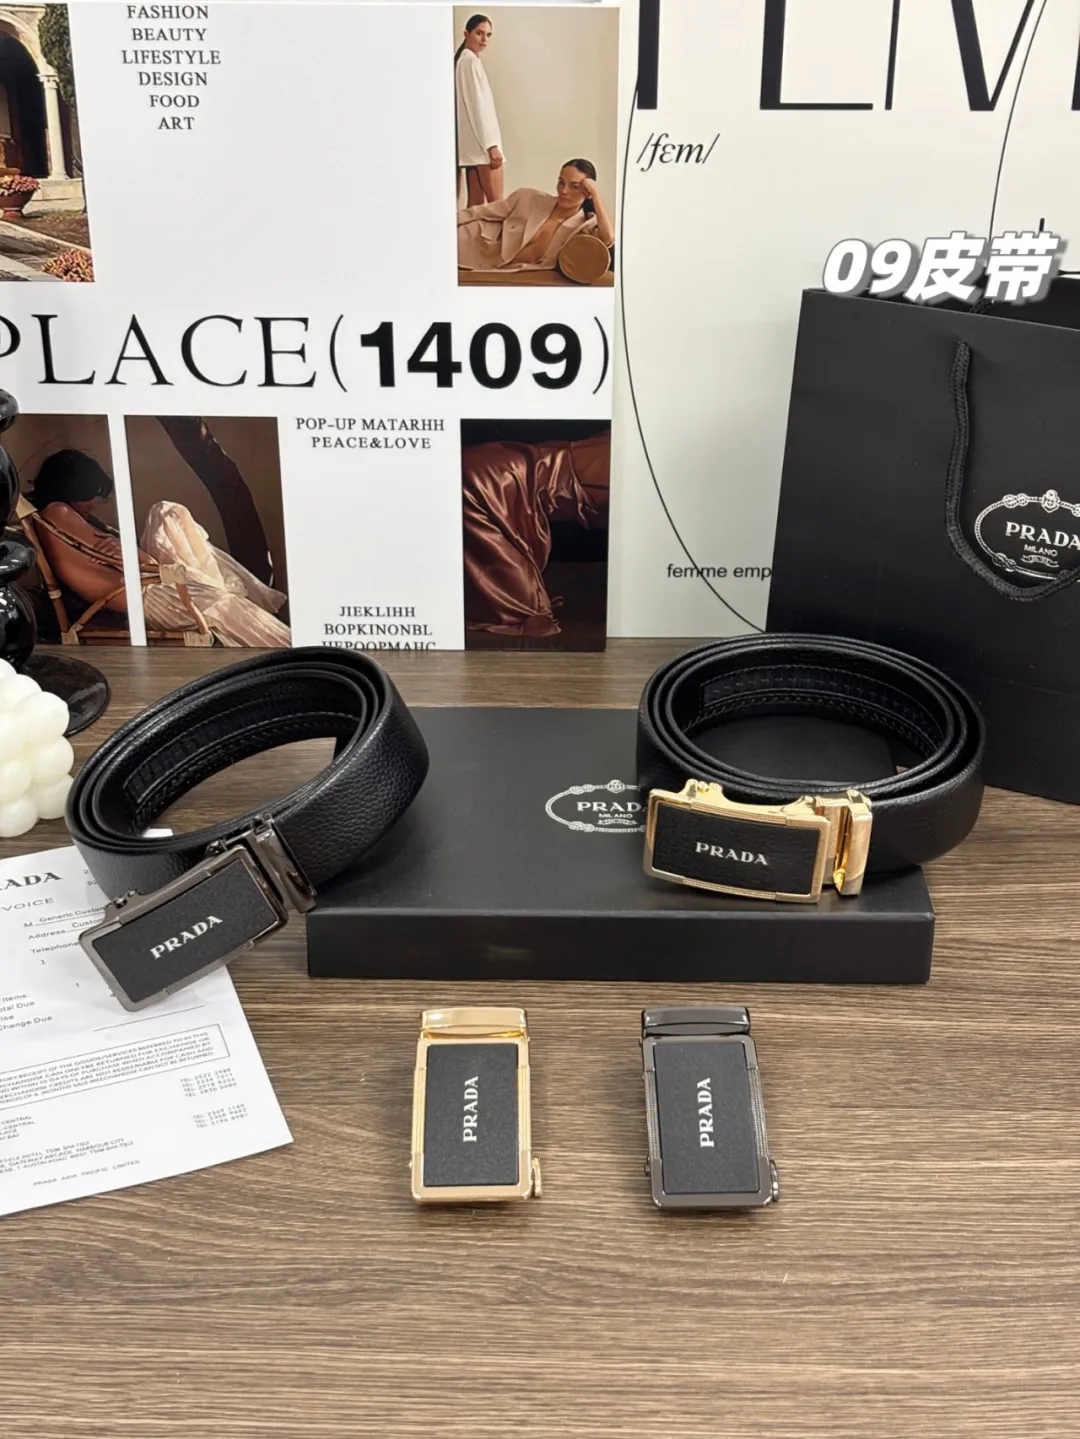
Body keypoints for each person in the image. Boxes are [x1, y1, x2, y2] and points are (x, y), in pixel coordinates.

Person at [27, 448, 290, 647]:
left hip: (145, 587)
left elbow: (119, 558)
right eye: (88, 503)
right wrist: (136, 555)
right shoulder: (57, 511)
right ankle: (290, 649)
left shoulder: (55, 518)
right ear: (73, 486)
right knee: (167, 513)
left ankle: (213, 583)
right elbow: (133, 561)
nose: (90, 510)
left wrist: (130, 553)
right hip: (148, 594)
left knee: (167, 512)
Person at [458, 159, 614, 273]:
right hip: (475, 243)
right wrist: (446, 223)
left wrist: (596, 195)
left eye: (574, 186)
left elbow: (608, 239)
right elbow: (479, 211)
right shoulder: (529, 197)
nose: (564, 191)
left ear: (587, 192)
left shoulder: (585, 226)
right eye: (561, 182)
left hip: (505, 270)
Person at [455, 14, 504, 207]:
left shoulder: (464, 61)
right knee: (497, 207)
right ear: (466, 34)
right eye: (479, 33)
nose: (484, 39)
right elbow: (478, 106)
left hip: (474, 149)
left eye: (488, 35)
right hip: (484, 148)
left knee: (476, 207)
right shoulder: (470, 62)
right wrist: (491, 145)